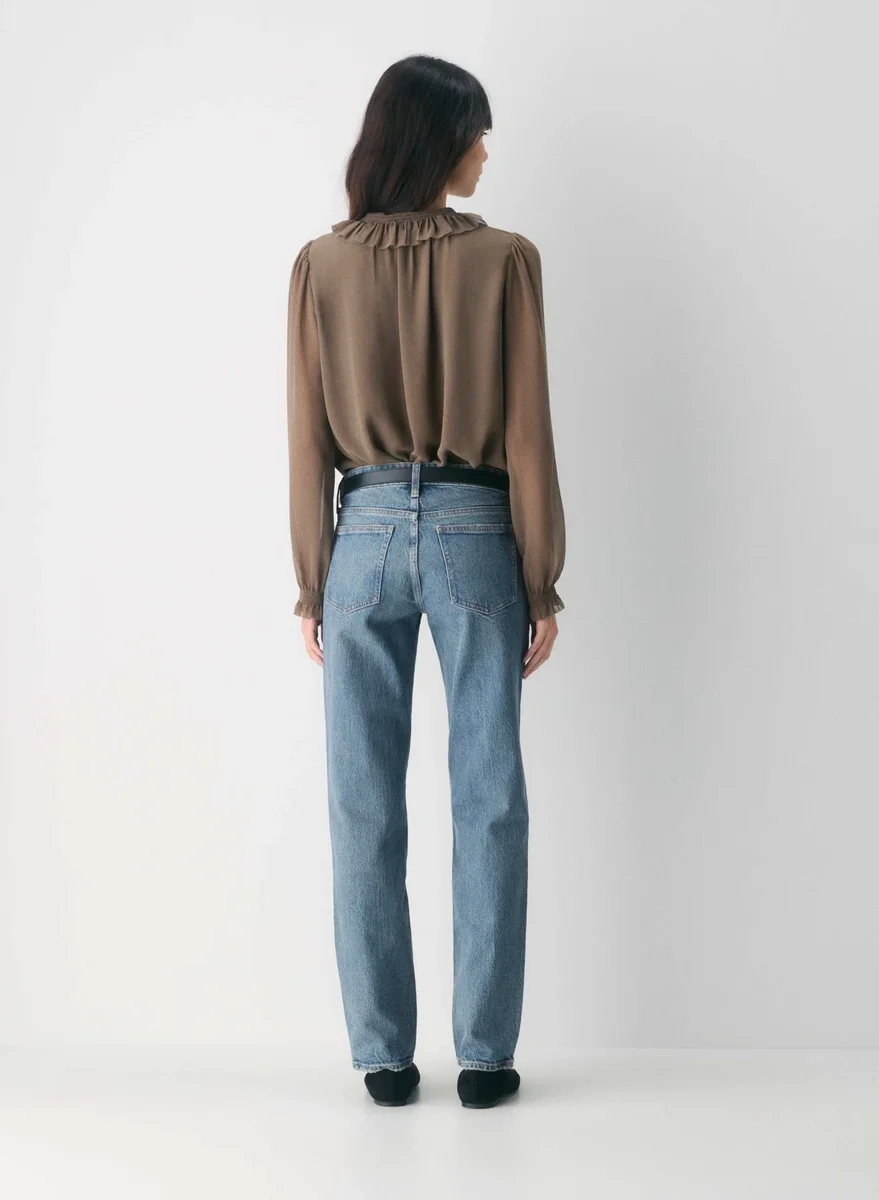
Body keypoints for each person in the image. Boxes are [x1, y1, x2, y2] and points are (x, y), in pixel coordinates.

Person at [286, 54, 566, 1109]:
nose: (485, 150)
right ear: (438, 140)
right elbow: (528, 433)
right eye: (475, 132)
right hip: (474, 531)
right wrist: (541, 578)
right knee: (489, 801)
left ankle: (383, 1057)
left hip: (359, 536)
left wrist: (312, 579)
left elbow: (306, 440)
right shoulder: (506, 260)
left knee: (361, 806)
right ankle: (485, 1058)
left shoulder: (321, 265)